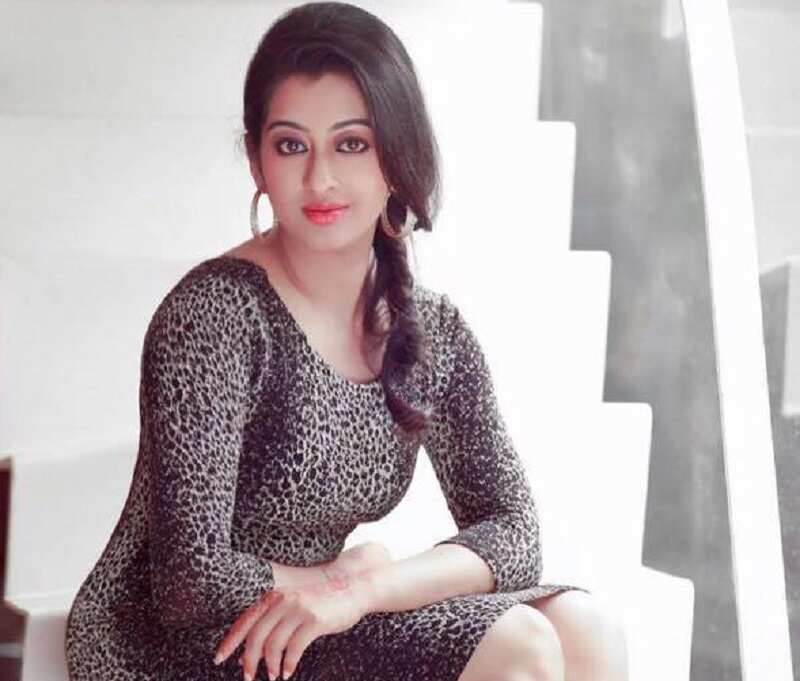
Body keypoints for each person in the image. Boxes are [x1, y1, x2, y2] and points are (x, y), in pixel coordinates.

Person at [64, 2, 628, 680]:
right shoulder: (214, 313)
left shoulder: (432, 331)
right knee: (518, 643)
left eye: (351, 144)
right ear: (257, 161)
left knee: (584, 627)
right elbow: (190, 579)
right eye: (291, 145)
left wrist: (365, 586)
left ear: (397, 153)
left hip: (311, 620)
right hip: (174, 641)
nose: (320, 179)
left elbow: (513, 532)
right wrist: (339, 578)